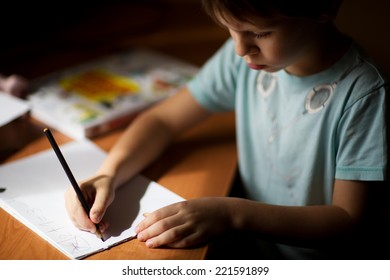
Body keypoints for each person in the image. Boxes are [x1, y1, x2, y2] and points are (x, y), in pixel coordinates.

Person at [64, 0, 389, 259]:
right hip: (251, 246)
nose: (239, 48)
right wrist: (109, 173)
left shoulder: (364, 94)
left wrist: (231, 215)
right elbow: (162, 121)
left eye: (259, 33)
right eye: (229, 29)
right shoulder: (245, 60)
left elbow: (348, 219)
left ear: (324, 7)